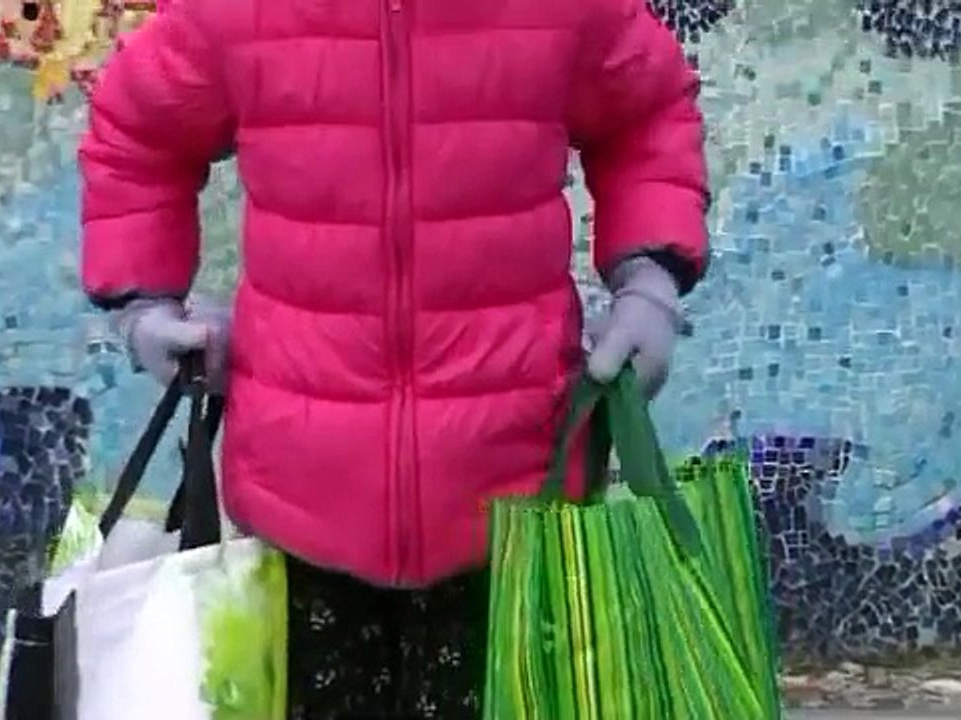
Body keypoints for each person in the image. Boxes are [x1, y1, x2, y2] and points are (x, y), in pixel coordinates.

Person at [78, 0, 708, 715]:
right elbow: (138, 133)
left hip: (514, 497)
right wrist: (144, 305)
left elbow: (649, 114)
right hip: (302, 500)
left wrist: (651, 283)